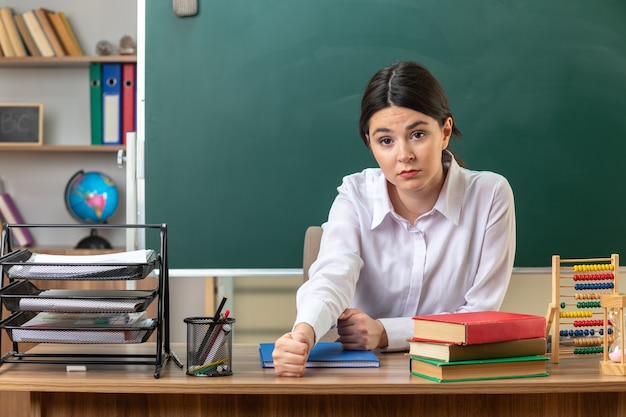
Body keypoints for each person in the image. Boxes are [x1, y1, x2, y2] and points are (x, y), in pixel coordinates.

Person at [272, 61, 516, 377]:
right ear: (369, 143)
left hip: (451, 377)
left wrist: (385, 332)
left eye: (417, 134)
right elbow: (333, 274)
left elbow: (480, 314)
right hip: (363, 378)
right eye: (386, 140)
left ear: (444, 132)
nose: (404, 155)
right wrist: (303, 333)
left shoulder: (490, 194)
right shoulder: (354, 194)